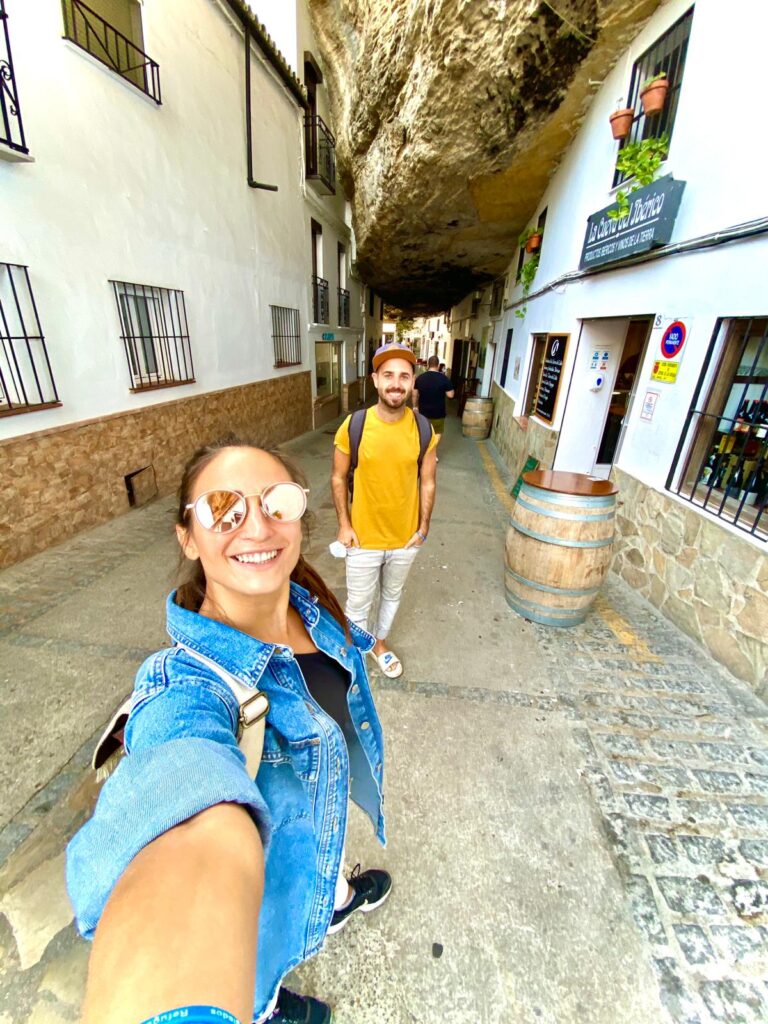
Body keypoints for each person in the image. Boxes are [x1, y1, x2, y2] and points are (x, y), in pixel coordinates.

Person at [65, 438, 390, 1024]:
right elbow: (189, 826)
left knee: (317, 834)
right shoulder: (187, 689)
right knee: (258, 971)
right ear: (187, 537)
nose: (258, 526)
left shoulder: (309, 606)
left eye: (277, 502)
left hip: (310, 810)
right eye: (223, 508)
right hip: (258, 906)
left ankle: (335, 897)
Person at [331, 342, 438, 680]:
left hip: (405, 539)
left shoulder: (423, 429)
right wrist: (344, 525)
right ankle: (354, 655)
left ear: (412, 382)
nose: (396, 383)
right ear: (375, 380)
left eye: (404, 376)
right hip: (362, 538)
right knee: (358, 604)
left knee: (391, 596)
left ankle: (378, 644)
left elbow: (428, 482)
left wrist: (423, 527)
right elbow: (337, 477)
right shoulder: (354, 425)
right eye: (388, 375)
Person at [413, 355, 455, 448]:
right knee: (437, 432)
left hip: (423, 411)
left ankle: (425, 449)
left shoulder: (420, 378)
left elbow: (414, 394)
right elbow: (450, 395)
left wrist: (415, 406)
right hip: (438, 412)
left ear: (428, 365)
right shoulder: (444, 379)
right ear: (438, 365)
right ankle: (431, 449)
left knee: (423, 431)